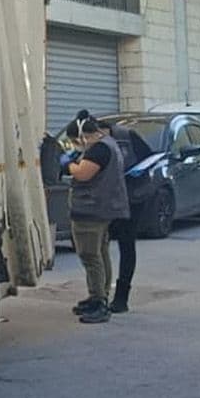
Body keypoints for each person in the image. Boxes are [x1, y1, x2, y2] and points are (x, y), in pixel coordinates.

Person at [63, 112, 132, 324]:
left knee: (90, 256)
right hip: (103, 209)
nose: (75, 146)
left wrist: (68, 165)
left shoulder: (99, 150)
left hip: (91, 210)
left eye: (75, 141)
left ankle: (99, 301)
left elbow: (83, 174)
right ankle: (98, 295)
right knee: (100, 254)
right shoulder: (109, 143)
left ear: (83, 136)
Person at [103, 117, 148, 313]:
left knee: (127, 244)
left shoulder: (127, 137)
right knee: (100, 245)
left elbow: (148, 159)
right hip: (108, 200)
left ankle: (122, 297)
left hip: (132, 198)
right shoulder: (95, 143)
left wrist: (136, 173)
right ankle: (100, 294)